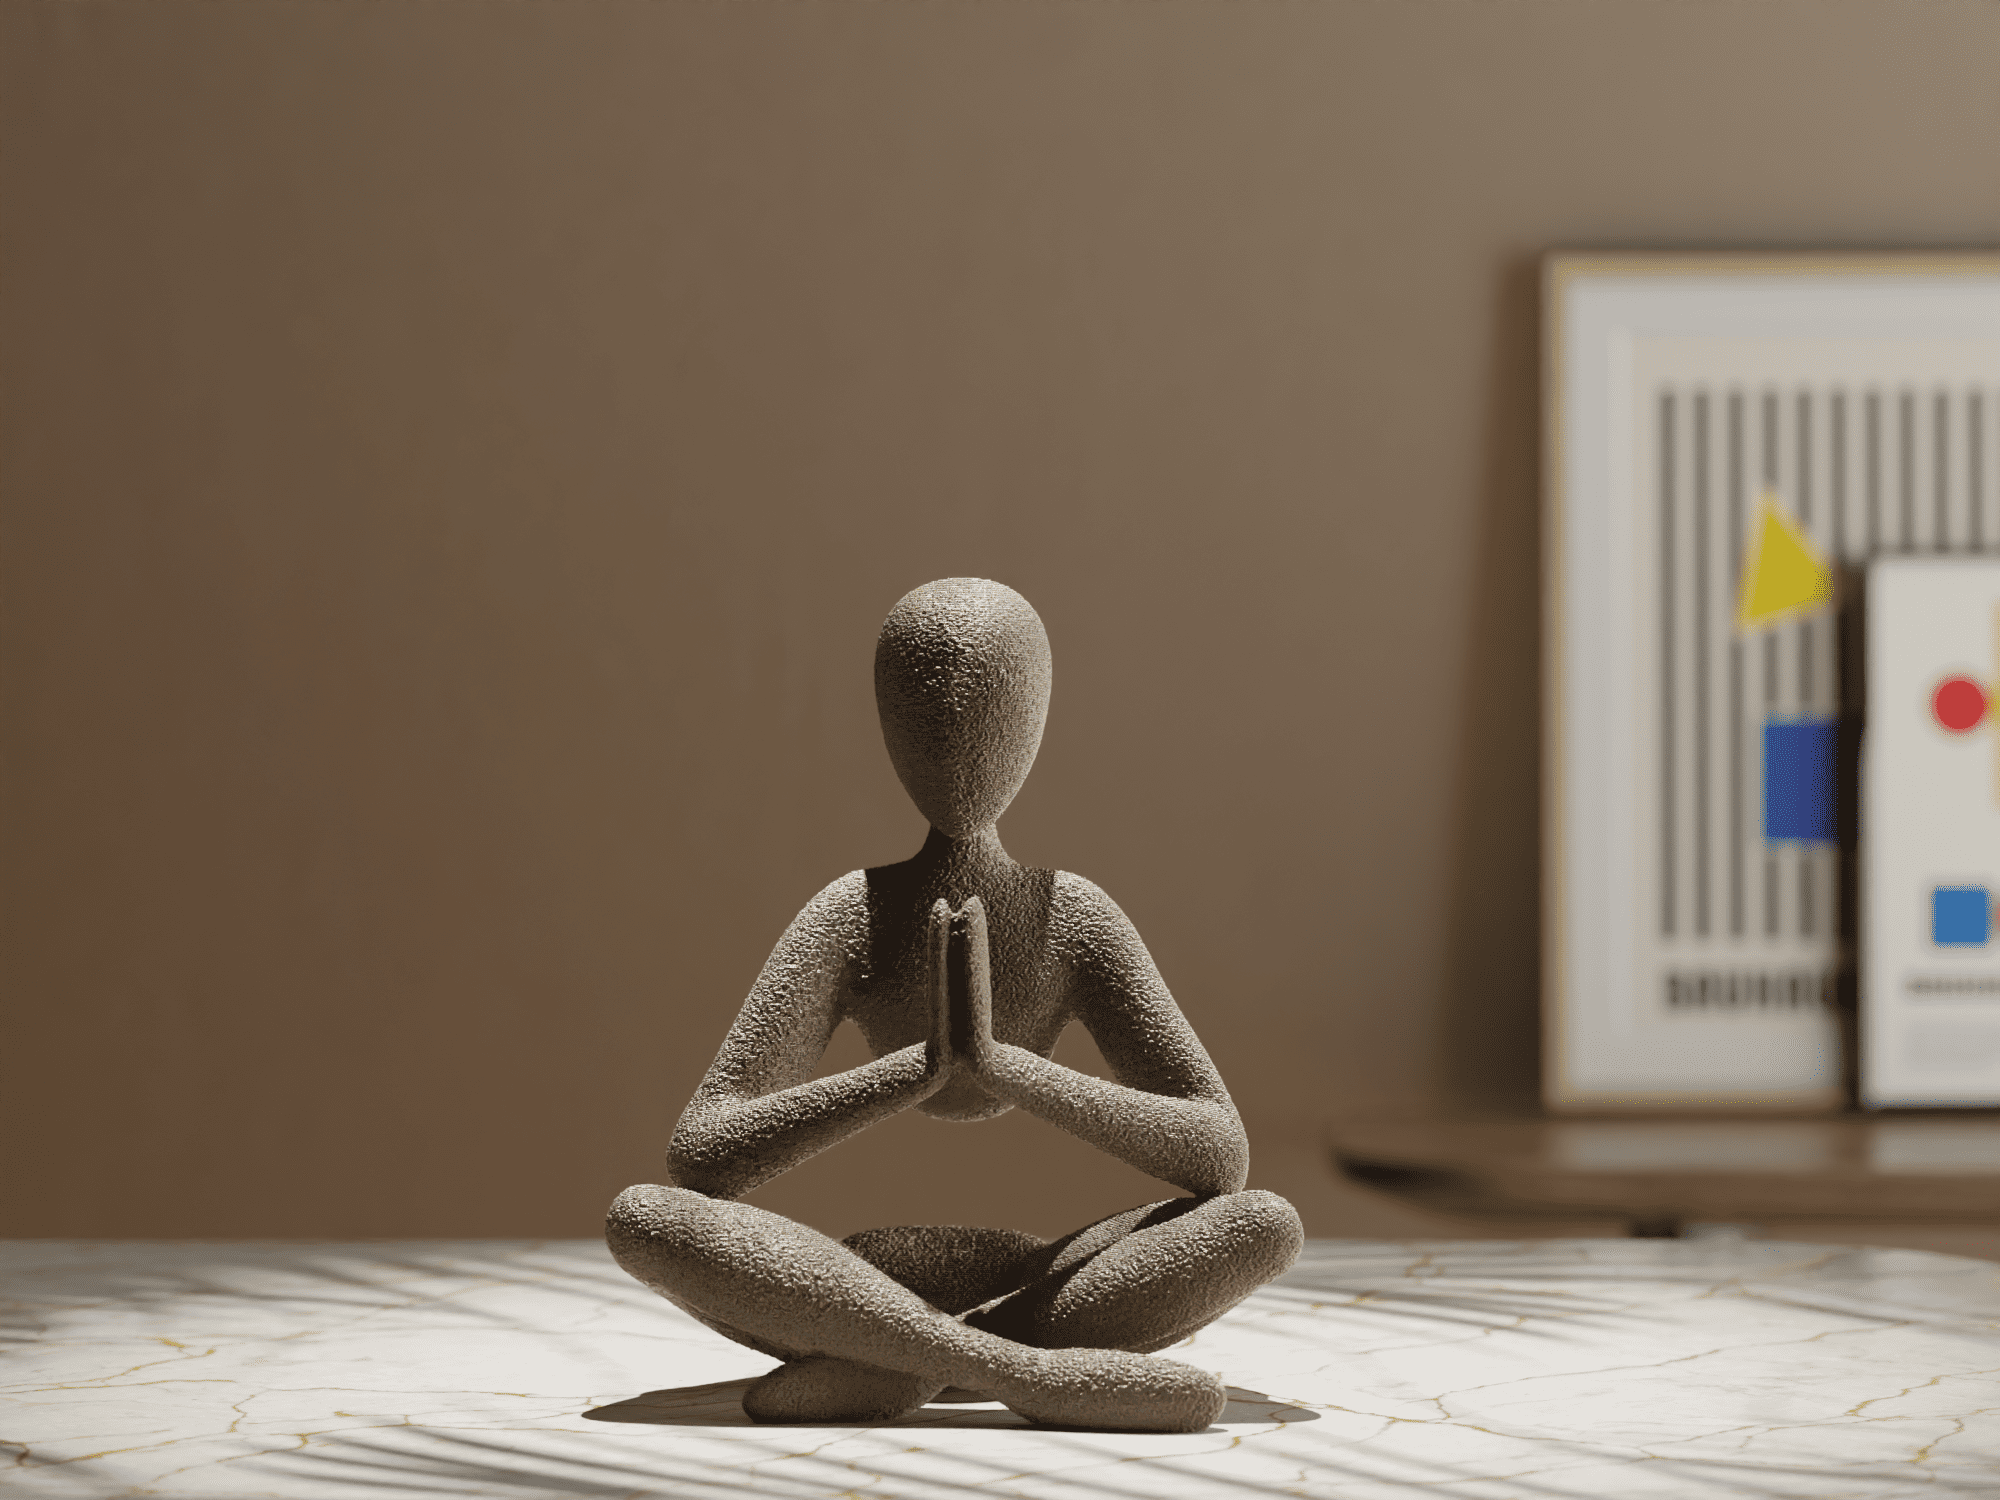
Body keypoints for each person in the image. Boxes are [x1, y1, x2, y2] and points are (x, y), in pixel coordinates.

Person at [607, 578, 1302, 1433]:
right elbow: (702, 1155)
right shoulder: (852, 914)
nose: (954, 744)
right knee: (646, 1216)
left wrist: (1009, 1069)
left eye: (986, 712)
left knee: (1261, 1223)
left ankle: (896, 1357)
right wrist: (916, 1071)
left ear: (1036, 720)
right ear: (888, 729)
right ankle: (1005, 1366)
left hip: (1040, 1281)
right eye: (923, 714)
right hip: (851, 1276)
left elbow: (1218, 1154)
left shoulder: (1071, 915)